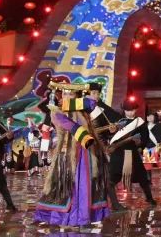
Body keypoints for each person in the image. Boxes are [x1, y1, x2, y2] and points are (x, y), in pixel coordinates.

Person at [34, 83, 117, 228]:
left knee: (86, 185)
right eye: (64, 93)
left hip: (88, 153)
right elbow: (67, 125)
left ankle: (84, 217)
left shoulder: (84, 111)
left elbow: (92, 104)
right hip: (68, 154)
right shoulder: (57, 111)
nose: (67, 96)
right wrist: (83, 135)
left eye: (71, 94)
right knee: (67, 186)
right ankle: (70, 218)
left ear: (77, 96)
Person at [106, 99, 157, 207]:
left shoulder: (140, 122)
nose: (130, 112)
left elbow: (145, 137)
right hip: (118, 153)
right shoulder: (118, 121)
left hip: (133, 152)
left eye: (132, 110)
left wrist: (140, 147)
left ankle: (149, 198)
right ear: (124, 110)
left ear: (136, 110)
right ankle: (114, 204)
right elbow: (112, 137)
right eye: (128, 110)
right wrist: (111, 132)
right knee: (112, 179)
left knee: (143, 177)